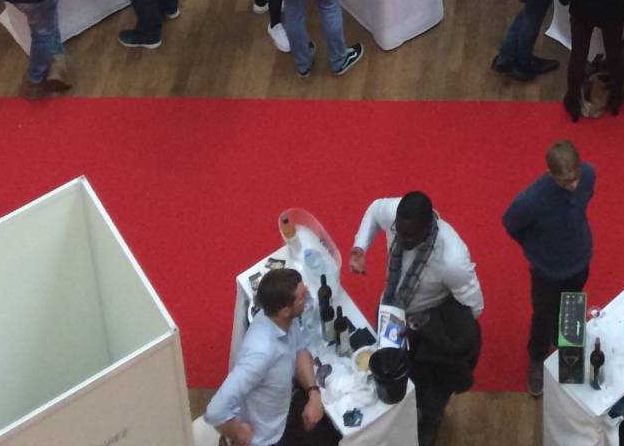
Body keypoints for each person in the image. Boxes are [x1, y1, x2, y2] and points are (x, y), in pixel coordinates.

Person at [350, 191, 483, 444]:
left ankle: (430, 419)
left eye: (410, 235)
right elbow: (375, 209)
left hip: (426, 329)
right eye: (398, 231)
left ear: (428, 225)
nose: (402, 239)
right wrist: (360, 246)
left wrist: (428, 325)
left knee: (431, 385)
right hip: (391, 311)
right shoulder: (395, 216)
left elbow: (473, 308)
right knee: (390, 371)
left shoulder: (453, 259)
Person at [504, 139, 595, 398]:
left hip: (580, 258)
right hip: (547, 270)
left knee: (572, 305)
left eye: (575, 177)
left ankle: (567, 347)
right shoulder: (530, 201)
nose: (574, 185)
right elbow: (511, 225)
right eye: (566, 181)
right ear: (550, 174)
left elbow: (584, 199)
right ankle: (537, 358)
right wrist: (536, 250)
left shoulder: (588, 175)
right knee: (543, 314)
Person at [203, 266, 324, 446]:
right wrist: (240, 433)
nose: (307, 294)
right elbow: (215, 410)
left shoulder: (281, 319)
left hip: (282, 416)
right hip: (266, 440)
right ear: (285, 310)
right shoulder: (261, 354)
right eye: (301, 297)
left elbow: (299, 349)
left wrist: (314, 394)